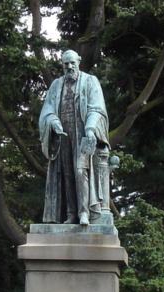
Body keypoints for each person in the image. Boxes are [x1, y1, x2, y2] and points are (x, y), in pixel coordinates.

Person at [39, 50, 111, 225]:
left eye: (72, 63)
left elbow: (97, 108)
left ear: (78, 61)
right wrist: (54, 122)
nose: (69, 67)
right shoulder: (56, 85)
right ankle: (71, 214)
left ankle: (84, 212)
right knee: (67, 173)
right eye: (66, 64)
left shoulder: (90, 81)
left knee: (81, 170)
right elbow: (47, 111)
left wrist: (90, 128)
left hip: (82, 133)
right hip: (63, 135)